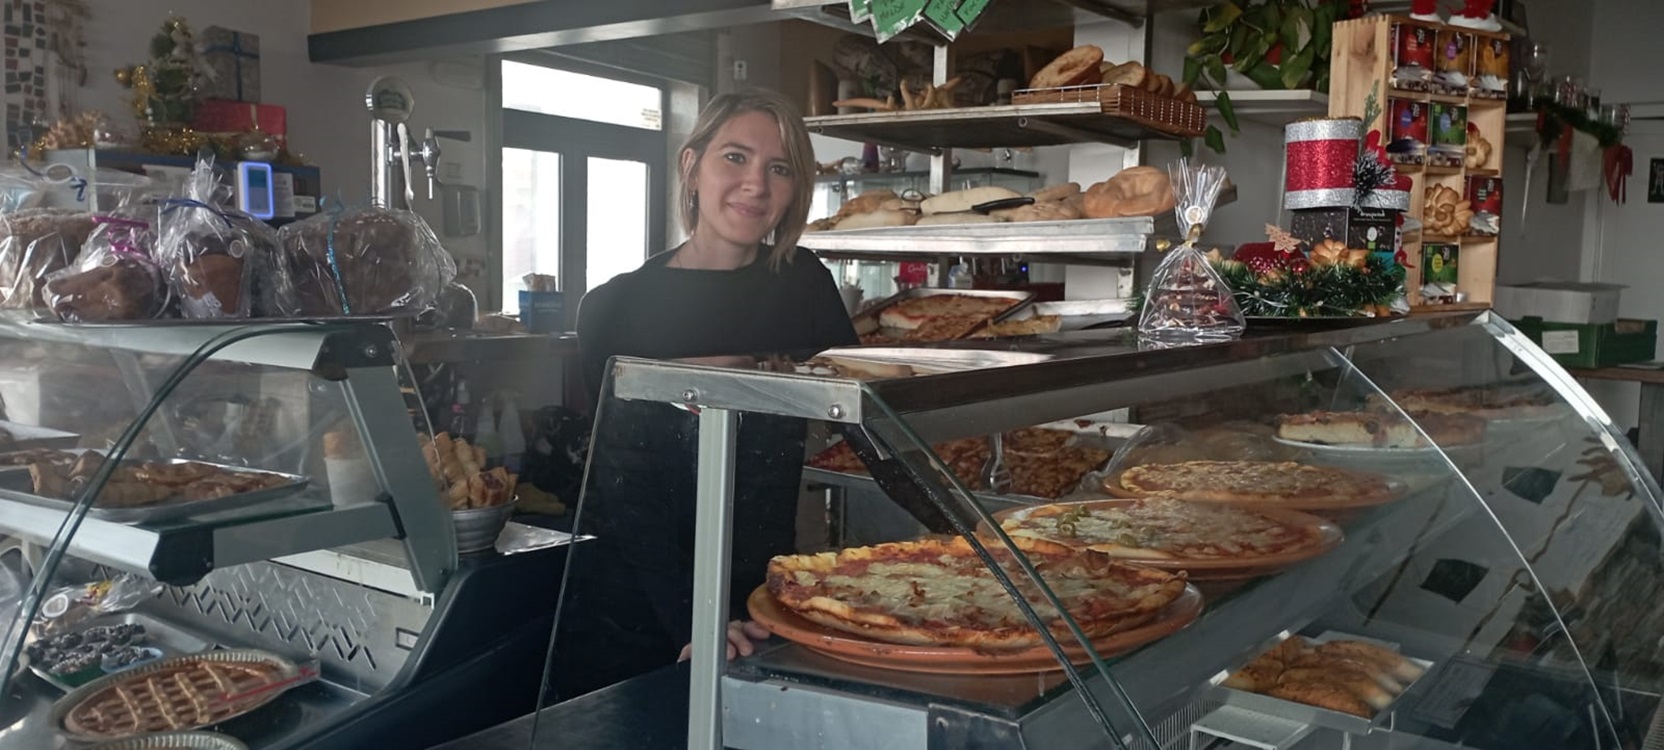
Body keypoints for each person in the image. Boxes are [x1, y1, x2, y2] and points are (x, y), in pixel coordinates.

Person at [555, 88, 857, 699]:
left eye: (779, 168)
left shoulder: (804, 286)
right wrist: (692, 620)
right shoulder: (614, 306)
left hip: (762, 600)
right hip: (642, 605)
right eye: (735, 158)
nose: (756, 185)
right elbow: (622, 486)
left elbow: (866, 425)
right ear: (691, 166)